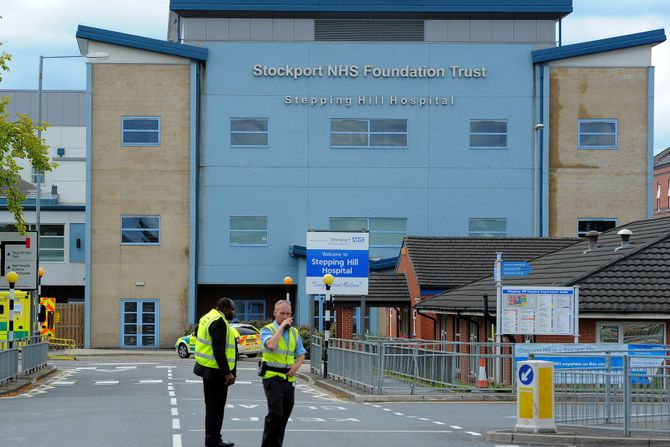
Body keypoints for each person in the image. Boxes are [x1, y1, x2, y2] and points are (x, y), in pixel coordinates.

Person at [260, 300, 306, 447]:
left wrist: (296, 366)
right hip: (272, 378)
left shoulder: (294, 332)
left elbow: (301, 353)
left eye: (288, 314)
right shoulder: (267, 330)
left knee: (284, 416)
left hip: (288, 379)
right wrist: (281, 327)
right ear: (275, 313)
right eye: (282, 313)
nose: (286, 317)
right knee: (275, 414)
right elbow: (272, 345)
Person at [194, 297, 237, 447]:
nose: (233, 312)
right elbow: (218, 350)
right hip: (216, 373)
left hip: (207, 369)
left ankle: (212, 439)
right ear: (224, 309)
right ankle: (213, 440)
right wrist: (227, 373)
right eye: (232, 309)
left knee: (212, 407)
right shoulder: (219, 322)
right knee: (216, 408)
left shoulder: (207, 317)